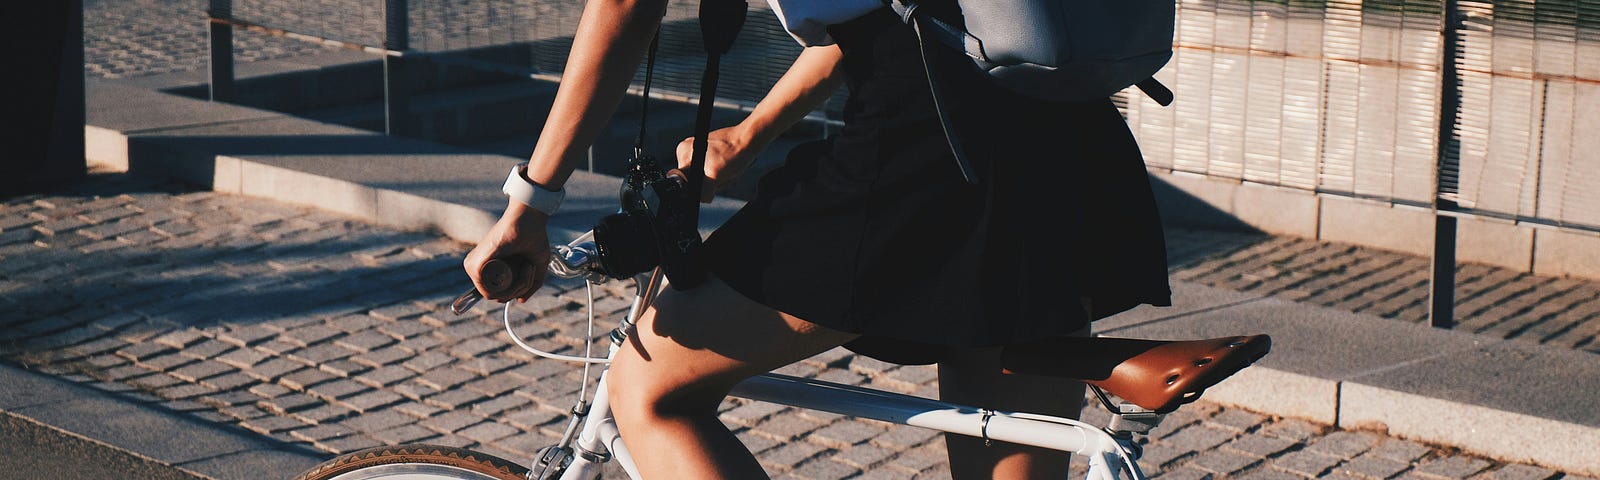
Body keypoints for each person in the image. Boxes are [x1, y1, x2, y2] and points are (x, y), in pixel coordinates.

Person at [464, 0, 1172, 477]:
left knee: (648, 388)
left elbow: (624, 8)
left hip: (927, 144)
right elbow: (901, 12)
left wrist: (529, 204)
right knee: (1001, 406)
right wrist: (747, 134)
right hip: (1063, 129)